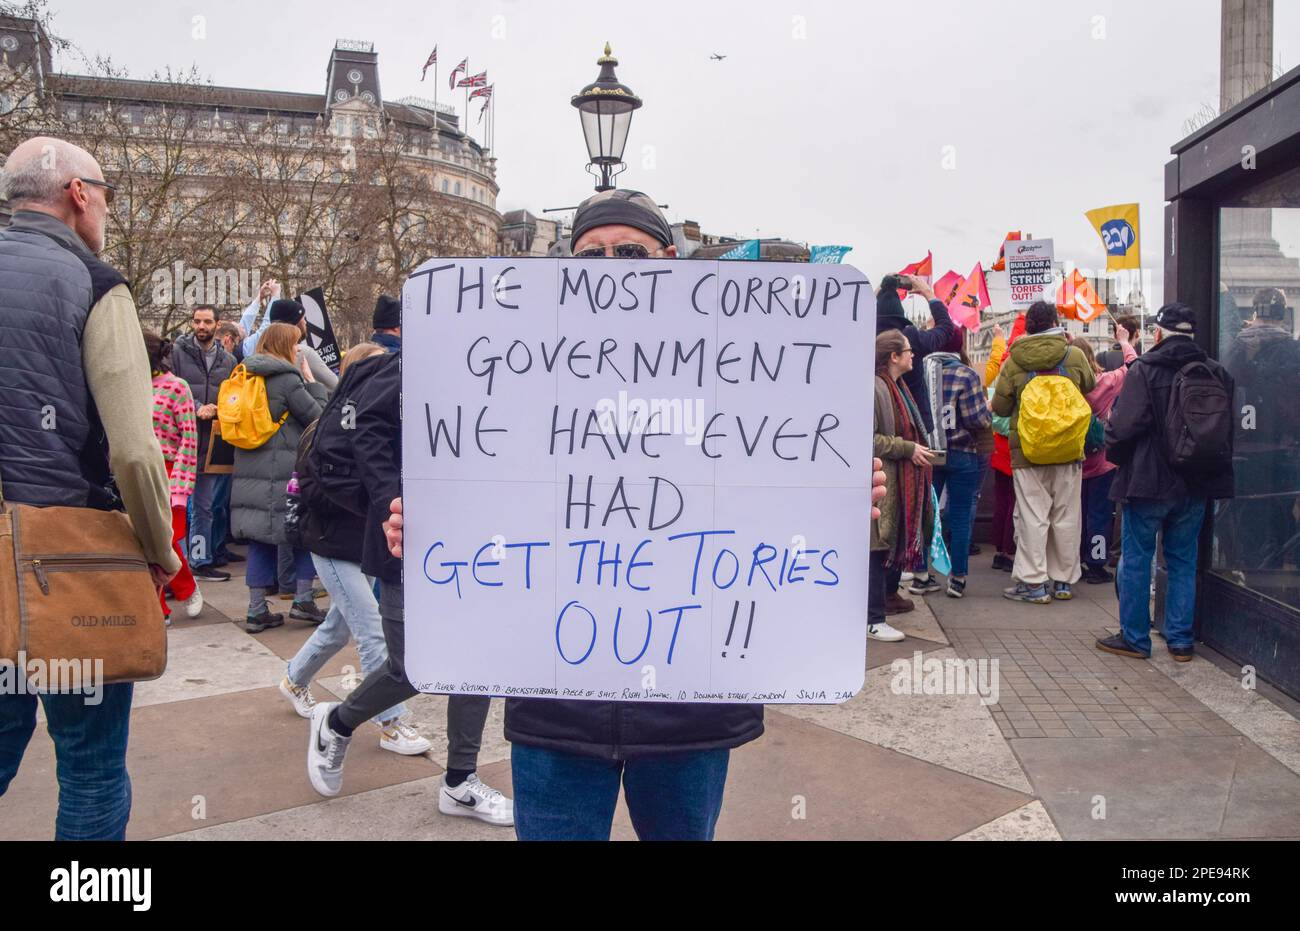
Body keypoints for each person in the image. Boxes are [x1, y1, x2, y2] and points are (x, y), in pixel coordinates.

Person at [0, 136, 178, 840]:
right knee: (93, 772)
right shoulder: (96, 284)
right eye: (106, 193)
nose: (107, 208)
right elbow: (135, 451)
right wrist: (162, 550)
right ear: (79, 194)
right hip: (68, 563)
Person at [303, 343, 512, 825]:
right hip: (411, 542)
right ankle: (336, 722)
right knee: (412, 666)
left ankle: (460, 780)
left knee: (474, 662)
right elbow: (368, 428)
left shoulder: (497, 356)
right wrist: (393, 502)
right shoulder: (420, 358)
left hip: (475, 542)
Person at [279, 342, 433, 756]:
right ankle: (391, 722)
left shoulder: (380, 431)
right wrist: (379, 503)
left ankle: (294, 678)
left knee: (338, 625)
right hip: (332, 543)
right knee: (371, 630)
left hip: (359, 544)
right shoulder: (324, 433)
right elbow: (316, 490)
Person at [1099, 303, 1235, 662]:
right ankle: (1180, 640)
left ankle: (1135, 638)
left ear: (1157, 333)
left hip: (1147, 482)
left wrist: (1116, 454)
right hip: (1196, 483)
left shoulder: (1145, 370)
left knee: (1137, 558)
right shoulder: (1217, 372)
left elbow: (1124, 427)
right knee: (1182, 559)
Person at [992, 301, 1096, 604]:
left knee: (1032, 517)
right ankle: (1063, 581)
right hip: (1068, 447)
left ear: (1029, 327)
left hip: (1027, 449)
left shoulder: (1014, 360)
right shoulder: (1073, 355)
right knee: (1066, 516)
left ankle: (1034, 584)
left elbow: (999, 407)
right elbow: (1089, 385)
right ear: (1055, 322)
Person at [231, 322, 330, 631]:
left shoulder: (243, 374)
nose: (299, 349)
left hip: (249, 470)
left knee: (259, 540)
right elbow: (318, 417)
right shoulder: (288, 380)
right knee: (302, 533)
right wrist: (312, 383)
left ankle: (256, 609)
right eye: (296, 344)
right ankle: (303, 601)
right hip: (286, 470)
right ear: (285, 346)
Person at [872, 330, 937, 635]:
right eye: (909, 351)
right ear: (894, 356)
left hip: (893, 478)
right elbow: (869, 439)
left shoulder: (895, 387)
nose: (914, 355)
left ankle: (881, 606)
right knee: (877, 547)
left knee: (884, 545)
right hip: (882, 481)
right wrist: (908, 448)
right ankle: (874, 616)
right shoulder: (876, 389)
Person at [170, 304, 239, 581]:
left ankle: (200, 560)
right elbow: (173, 387)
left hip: (210, 443)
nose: (201, 326)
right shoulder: (178, 353)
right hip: (182, 440)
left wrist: (218, 409)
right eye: (197, 321)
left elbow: (233, 396)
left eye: (207, 322)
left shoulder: (229, 361)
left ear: (217, 325)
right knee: (178, 505)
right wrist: (197, 406)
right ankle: (179, 564)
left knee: (205, 505)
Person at [144, 331, 204, 623]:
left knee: (167, 541)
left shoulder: (177, 387)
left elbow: (188, 440)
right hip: (140, 471)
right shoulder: (127, 387)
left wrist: (180, 486)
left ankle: (187, 587)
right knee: (145, 540)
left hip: (169, 471)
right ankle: (158, 608)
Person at [929, 336, 993, 598]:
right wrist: (987, 411)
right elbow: (977, 419)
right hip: (963, 452)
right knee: (960, 515)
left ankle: (922, 572)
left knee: (927, 513)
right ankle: (958, 578)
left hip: (931, 453)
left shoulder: (926, 375)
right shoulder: (967, 375)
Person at [1074, 324, 1137, 584]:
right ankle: (1096, 564)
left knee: (1075, 516)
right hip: (1101, 461)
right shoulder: (1104, 383)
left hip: (1074, 461)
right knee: (1099, 516)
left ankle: (1073, 561)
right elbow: (1133, 367)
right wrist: (1124, 341)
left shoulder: (1066, 384)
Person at [875, 273, 957, 434]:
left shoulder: (864, 338)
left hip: (878, 424)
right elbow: (946, 328)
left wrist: (883, 286)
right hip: (913, 424)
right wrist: (928, 293)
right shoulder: (909, 337)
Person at [240, 284, 339, 391]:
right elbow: (336, 386)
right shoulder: (302, 353)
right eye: (303, 318)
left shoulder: (256, 357)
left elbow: (262, 325)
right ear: (294, 324)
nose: (306, 322)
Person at [984, 319, 1021, 572]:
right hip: (1012, 448)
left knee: (1001, 501)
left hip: (997, 449)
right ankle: (1008, 550)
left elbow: (994, 417)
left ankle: (999, 549)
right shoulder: (1017, 381)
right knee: (1014, 503)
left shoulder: (997, 380)